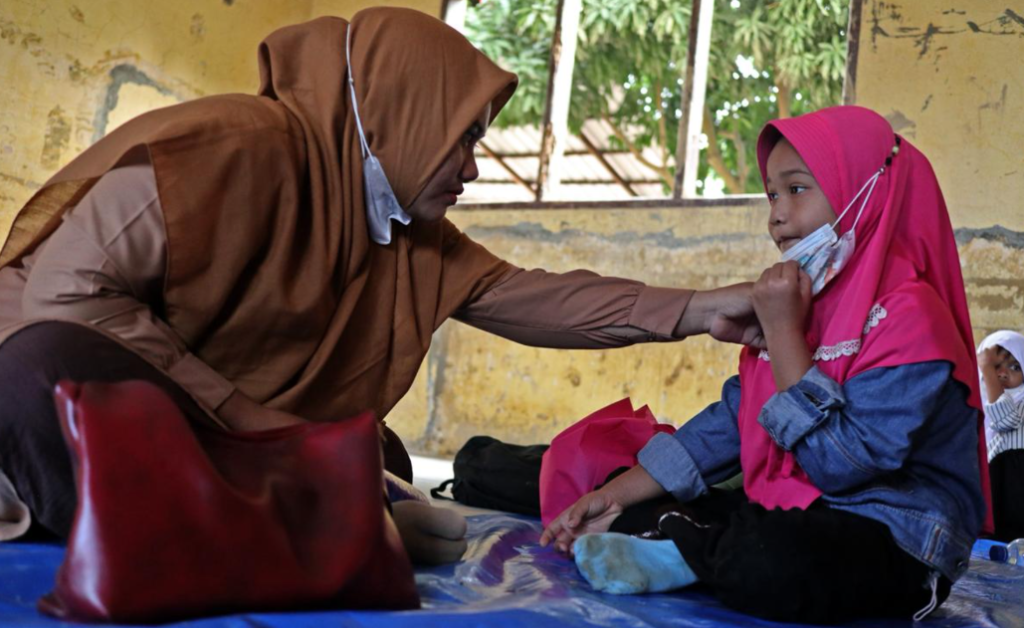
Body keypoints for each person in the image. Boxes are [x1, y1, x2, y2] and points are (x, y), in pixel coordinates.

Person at [0, 8, 761, 564]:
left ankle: (282, 514)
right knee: (37, 373)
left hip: (198, 426)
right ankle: (284, 524)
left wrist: (696, 310)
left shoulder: (400, 231)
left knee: (378, 448)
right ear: (403, 112)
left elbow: (536, 297)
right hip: (53, 380)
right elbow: (65, 300)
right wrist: (248, 416)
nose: (471, 168)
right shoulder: (232, 148)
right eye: (461, 137)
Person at [541, 106, 992, 624]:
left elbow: (842, 468)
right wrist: (613, 496)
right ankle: (681, 544)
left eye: (797, 189)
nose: (776, 215)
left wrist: (782, 334)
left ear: (864, 196)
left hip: (892, 539)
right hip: (796, 514)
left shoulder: (912, 318)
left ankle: (687, 551)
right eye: (772, 194)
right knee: (641, 505)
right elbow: (727, 425)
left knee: (775, 557)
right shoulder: (804, 305)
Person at [977, 330, 1024, 541]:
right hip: (996, 505)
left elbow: (1006, 420)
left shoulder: (1021, 404)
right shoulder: (972, 407)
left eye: (1015, 367)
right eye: (997, 366)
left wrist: (988, 369)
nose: (1003, 373)